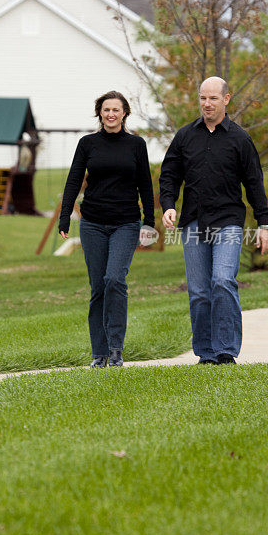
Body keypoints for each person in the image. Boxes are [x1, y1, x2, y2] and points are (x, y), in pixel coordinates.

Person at [159, 76, 268, 365]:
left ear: (226, 99)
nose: (206, 104)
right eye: (202, 98)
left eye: (212, 98)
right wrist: (168, 205)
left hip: (228, 220)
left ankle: (226, 350)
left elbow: (254, 183)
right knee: (198, 291)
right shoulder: (185, 136)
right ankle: (206, 354)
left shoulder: (240, 138)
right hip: (194, 220)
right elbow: (170, 174)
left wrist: (264, 223)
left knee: (222, 280)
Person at [59, 91, 156, 367]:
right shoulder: (88, 144)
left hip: (125, 222)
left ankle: (116, 348)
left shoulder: (136, 144)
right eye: (106, 110)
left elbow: (146, 186)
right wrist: (65, 217)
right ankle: (99, 354)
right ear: (99, 113)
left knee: (114, 279)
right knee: (98, 287)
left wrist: (148, 221)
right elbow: (74, 180)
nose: (111, 114)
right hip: (92, 223)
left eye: (116, 109)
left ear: (125, 112)